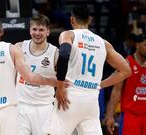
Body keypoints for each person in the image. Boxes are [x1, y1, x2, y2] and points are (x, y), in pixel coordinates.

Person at [43, 5, 132, 135]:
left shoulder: (69, 35)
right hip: (91, 100)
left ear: (72, 20)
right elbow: (126, 70)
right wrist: (100, 84)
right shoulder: (103, 43)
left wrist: (60, 85)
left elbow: (63, 55)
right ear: (90, 20)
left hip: (70, 97)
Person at [106, 33, 146, 135]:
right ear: (137, 45)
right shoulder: (126, 63)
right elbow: (116, 91)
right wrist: (110, 115)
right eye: (145, 45)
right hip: (130, 115)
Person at [15, 14, 58, 135]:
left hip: (44, 107)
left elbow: (61, 81)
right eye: (34, 29)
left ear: (48, 32)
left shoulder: (55, 53)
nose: (37, 33)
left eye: (41, 30)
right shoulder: (18, 47)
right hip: (21, 105)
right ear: (30, 30)